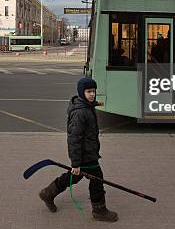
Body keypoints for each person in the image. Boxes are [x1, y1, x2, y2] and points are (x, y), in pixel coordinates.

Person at [39, 77, 118, 222]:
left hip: (88, 152)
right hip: (85, 155)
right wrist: (75, 163)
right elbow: (74, 139)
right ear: (82, 93)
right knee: (97, 179)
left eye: (93, 91)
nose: (92, 94)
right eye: (88, 91)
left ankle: (48, 193)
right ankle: (99, 211)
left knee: (75, 176)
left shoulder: (87, 106)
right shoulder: (80, 113)